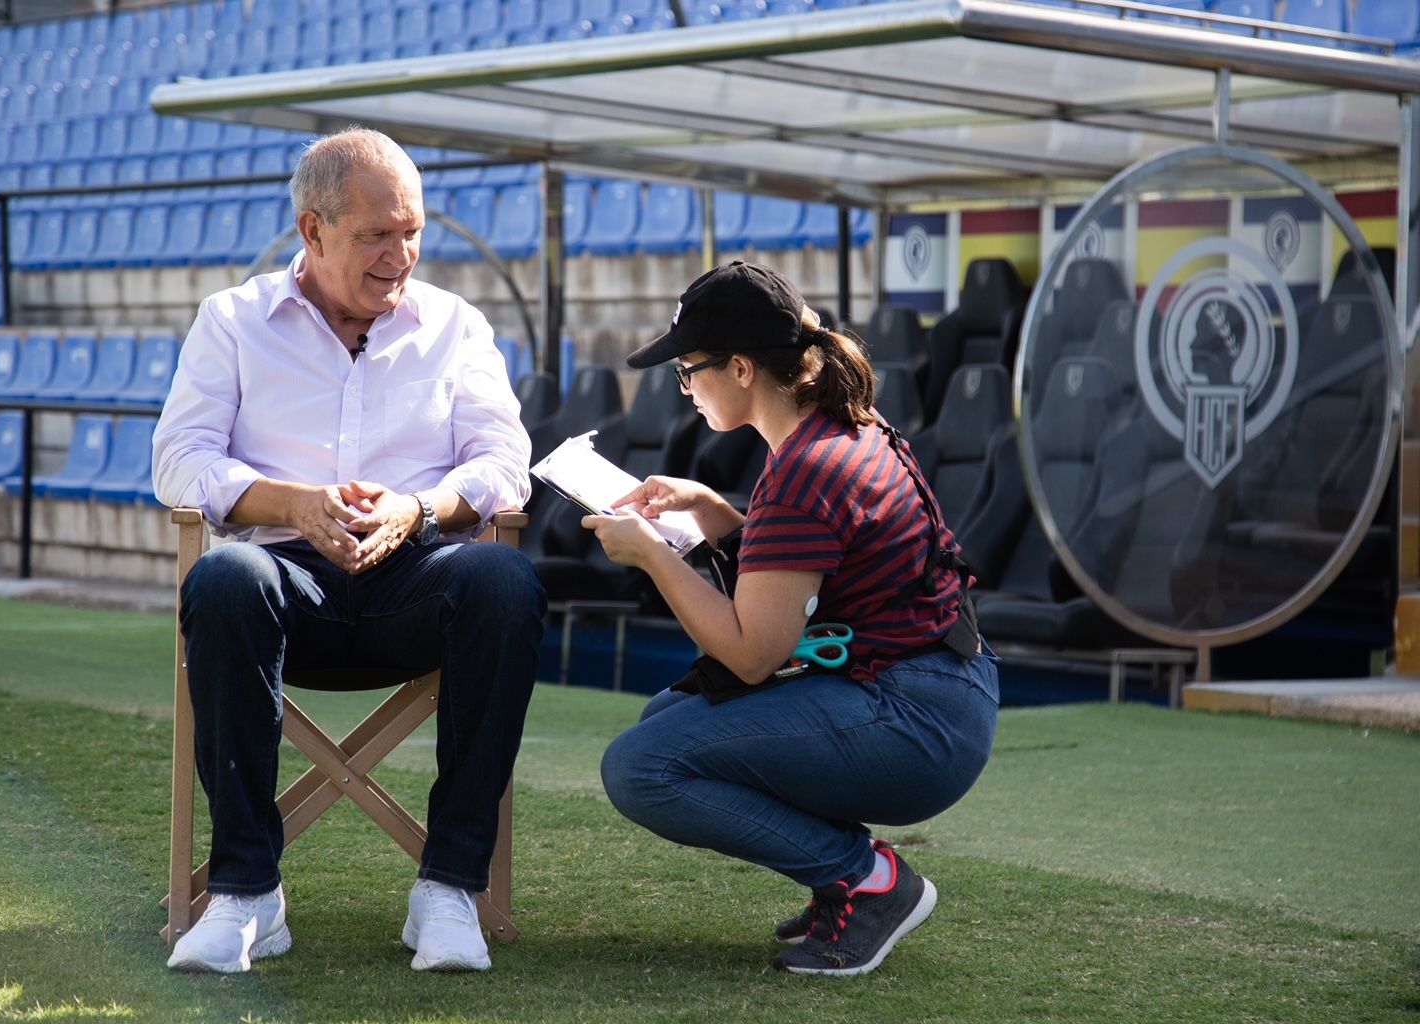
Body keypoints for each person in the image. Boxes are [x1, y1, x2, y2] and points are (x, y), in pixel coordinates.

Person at [153, 128, 545, 975]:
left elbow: (504, 463)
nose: (399, 255)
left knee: (504, 578)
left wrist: (420, 507)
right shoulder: (232, 320)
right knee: (226, 574)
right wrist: (288, 501)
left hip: (419, 575)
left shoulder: (455, 325)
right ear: (313, 228)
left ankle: (449, 888)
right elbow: (177, 459)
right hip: (283, 580)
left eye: (412, 230)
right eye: (376, 235)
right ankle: (247, 893)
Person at [583, 262, 999, 977]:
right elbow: (807, 577)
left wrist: (655, 556)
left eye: (689, 369)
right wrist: (715, 514)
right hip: (939, 690)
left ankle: (868, 883)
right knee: (665, 719)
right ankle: (844, 875)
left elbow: (753, 655)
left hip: (919, 716)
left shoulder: (805, 471)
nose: (684, 387)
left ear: (740, 367)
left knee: (642, 767)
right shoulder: (835, 431)